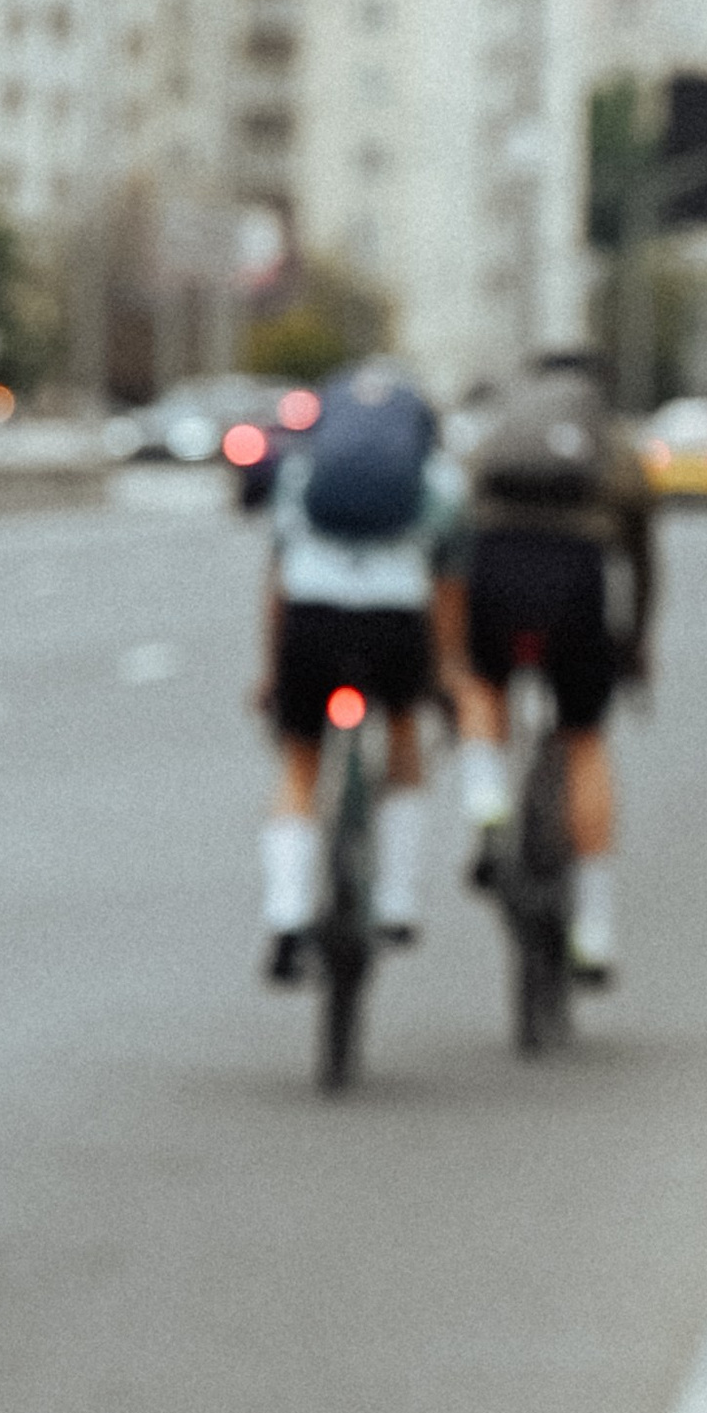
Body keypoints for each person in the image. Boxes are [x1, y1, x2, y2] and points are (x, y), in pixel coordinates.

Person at [451, 345, 656, 988]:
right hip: (576, 579)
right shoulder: (611, 440)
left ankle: (485, 798)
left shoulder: (502, 434)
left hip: (498, 565)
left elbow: (459, 517)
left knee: (483, 683)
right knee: (583, 738)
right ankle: (593, 932)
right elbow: (642, 556)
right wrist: (634, 644)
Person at [257, 357, 465, 974]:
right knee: (403, 737)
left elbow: (275, 582)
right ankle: (396, 903)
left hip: (311, 618)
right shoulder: (439, 480)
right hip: (395, 622)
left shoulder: (303, 472)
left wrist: (271, 672)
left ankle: (287, 916)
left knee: (300, 760)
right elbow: (448, 587)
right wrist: (445, 670)